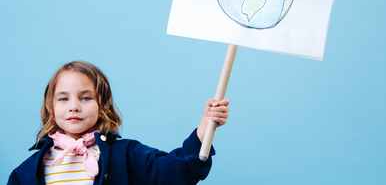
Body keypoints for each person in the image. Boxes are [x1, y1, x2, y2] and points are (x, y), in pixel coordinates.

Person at [8, 61, 229, 185]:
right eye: (63, 98)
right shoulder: (25, 172)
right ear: (51, 108)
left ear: (103, 107)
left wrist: (204, 127)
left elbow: (171, 173)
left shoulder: (127, 154)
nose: (73, 106)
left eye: (85, 97)